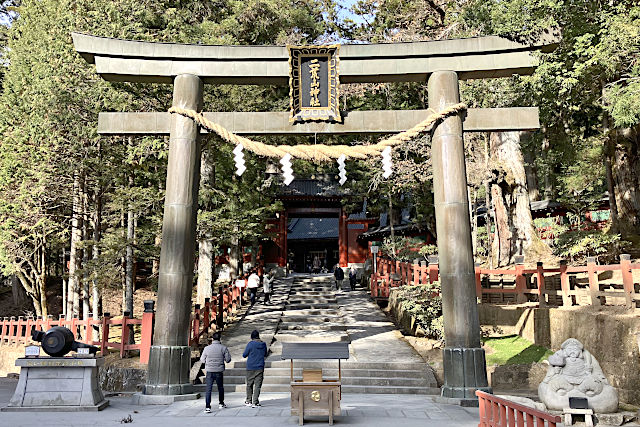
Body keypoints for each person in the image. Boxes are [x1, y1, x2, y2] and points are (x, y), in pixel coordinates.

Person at [200, 332, 231, 413]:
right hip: (219, 370)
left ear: (212, 339)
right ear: (220, 339)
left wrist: (209, 361)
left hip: (209, 371)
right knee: (220, 387)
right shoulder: (223, 348)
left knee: (208, 389)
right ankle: (221, 403)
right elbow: (228, 360)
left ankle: (207, 407)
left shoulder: (207, 348)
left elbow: (202, 360)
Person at [242, 329, 267, 407]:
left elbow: (244, 355)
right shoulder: (263, 344)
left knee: (249, 384)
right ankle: (255, 402)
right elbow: (265, 354)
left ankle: (248, 400)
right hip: (260, 366)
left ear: (252, 337)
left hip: (250, 367)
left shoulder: (250, 344)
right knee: (257, 385)